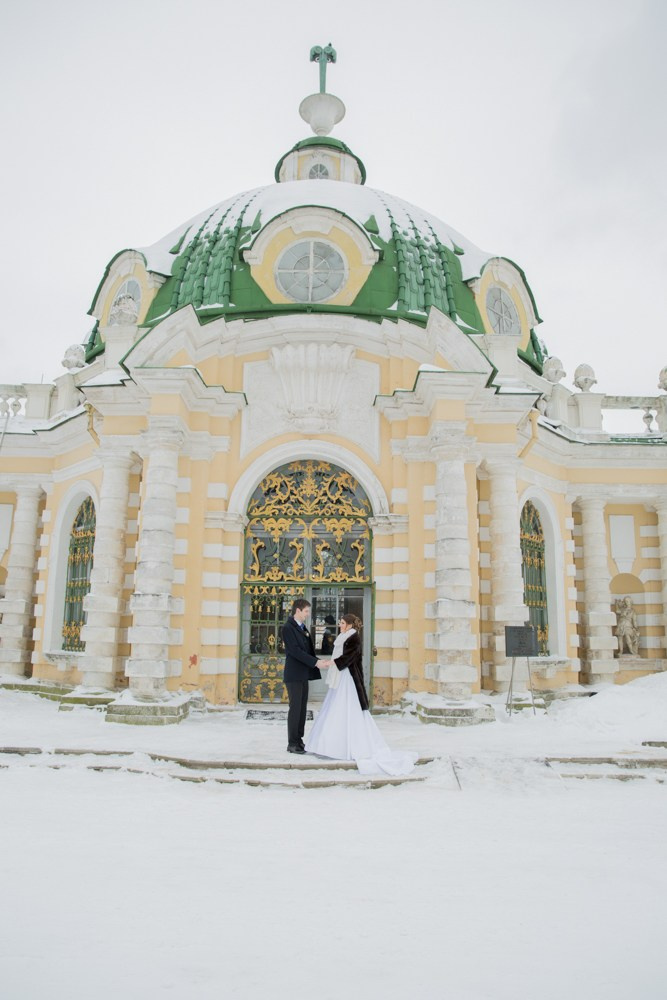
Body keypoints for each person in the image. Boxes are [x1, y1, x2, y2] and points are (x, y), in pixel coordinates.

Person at [305, 614, 417, 776]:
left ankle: (346, 745)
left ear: (350, 624)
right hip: (341, 675)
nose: (340, 625)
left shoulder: (354, 638)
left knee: (347, 706)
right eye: (340, 622)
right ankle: (328, 744)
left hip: (349, 676)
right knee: (335, 705)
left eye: (342, 623)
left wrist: (332, 662)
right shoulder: (343, 636)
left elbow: (349, 657)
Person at [282, 598, 321, 754]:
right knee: (295, 708)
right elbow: (295, 651)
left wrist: (315, 662)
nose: (307, 614)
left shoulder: (302, 627)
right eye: (306, 611)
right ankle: (292, 743)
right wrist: (315, 663)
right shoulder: (288, 628)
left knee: (302, 709)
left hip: (303, 673)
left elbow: (307, 649)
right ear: (297, 610)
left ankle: (299, 740)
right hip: (294, 674)